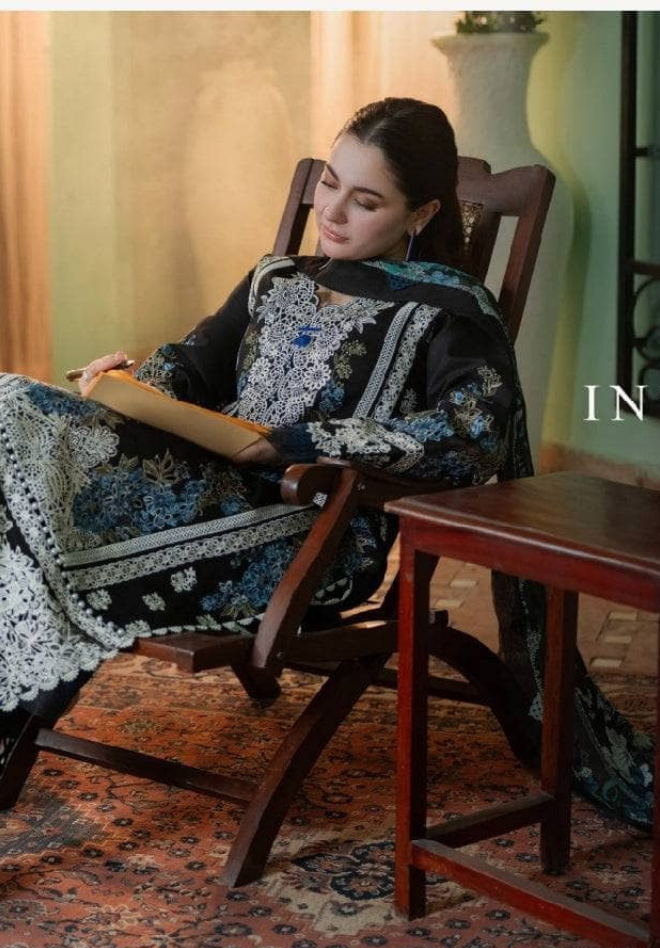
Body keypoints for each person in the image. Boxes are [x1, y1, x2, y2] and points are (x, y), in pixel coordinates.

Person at [0, 97, 653, 831]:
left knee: (20, 458)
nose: (333, 213)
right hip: (197, 490)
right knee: (13, 406)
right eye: (330, 184)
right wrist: (126, 384)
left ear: (421, 213)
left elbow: (468, 437)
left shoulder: (447, 311)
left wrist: (297, 443)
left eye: (365, 201)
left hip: (308, 533)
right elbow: (191, 367)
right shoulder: (276, 277)